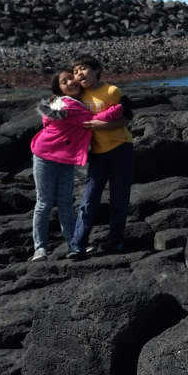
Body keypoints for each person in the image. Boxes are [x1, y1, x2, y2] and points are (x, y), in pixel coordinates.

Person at [28, 70, 123, 261]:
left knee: (64, 203)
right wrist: (118, 109)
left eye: (71, 78)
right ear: (59, 88)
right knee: (44, 202)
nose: (71, 82)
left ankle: (74, 244)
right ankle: (40, 248)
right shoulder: (67, 104)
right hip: (45, 155)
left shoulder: (72, 102)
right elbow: (91, 120)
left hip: (66, 158)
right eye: (65, 81)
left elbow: (52, 118)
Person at [69, 54, 135, 257]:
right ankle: (77, 245)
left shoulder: (112, 91)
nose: (79, 73)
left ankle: (115, 242)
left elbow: (126, 119)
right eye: (75, 71)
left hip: (121, 149)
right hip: (97, 154)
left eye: (83, 68)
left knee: (119, 199)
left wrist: (102, 125)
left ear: (97, 70)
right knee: (88, 199)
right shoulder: (78, 97)